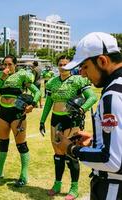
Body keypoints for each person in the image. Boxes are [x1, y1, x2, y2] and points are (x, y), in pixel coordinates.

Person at [56, 32, 122, 200]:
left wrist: (71, 148)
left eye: (85, 67)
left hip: (113, 187)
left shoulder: (113, 95)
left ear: (102, 61)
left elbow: (112, 160)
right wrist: (95, 139)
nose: (83, 74)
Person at [39, 54, 97, 199]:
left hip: (71, 120)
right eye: (60, 64)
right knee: (58, 154)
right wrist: (42, 120)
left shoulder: (78, 79)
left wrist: (81, 109)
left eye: (66, 64)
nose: (63, 67)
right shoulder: (52, 82)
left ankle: (74, 188)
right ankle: (57, 184)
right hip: (55, 119)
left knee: (71, 154)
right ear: (57, 65)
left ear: (72, 66)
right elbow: (48, 103)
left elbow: (92, 97)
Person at [0, 54, 41, 187]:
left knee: (21, 144)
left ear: (15, 65)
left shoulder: (22, 75)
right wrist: (2, 78)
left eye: (9, 64)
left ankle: (24, 175)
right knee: (3, 142)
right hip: (2, 112)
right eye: (4, 64)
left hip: (17, 113)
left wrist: (33, 104)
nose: (7, 67)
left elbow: (37, 92)